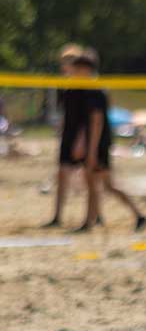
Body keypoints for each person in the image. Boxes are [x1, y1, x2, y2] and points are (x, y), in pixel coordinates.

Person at [72, 49, 146, 233]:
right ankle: (135, 215)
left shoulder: (94, 91)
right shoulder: (91, 89)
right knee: (102, 184)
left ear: (86, 69)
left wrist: (91, 151)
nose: (74, 72)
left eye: (77, 68)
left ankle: (91, 222)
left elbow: (96, 122)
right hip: (97, 143)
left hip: (98, 144)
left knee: (101, 184)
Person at [42, 45, 87, 229]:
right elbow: (65, 112)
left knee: (95, 179)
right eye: (64, 61)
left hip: (83, 138)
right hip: (68, 135)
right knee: (62, 175)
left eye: (68, 61)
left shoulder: (86, 85)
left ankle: (96, 215)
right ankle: (57, 216)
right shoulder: (64, 85)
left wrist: (82, 140)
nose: (65, 65)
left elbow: (87, 117)